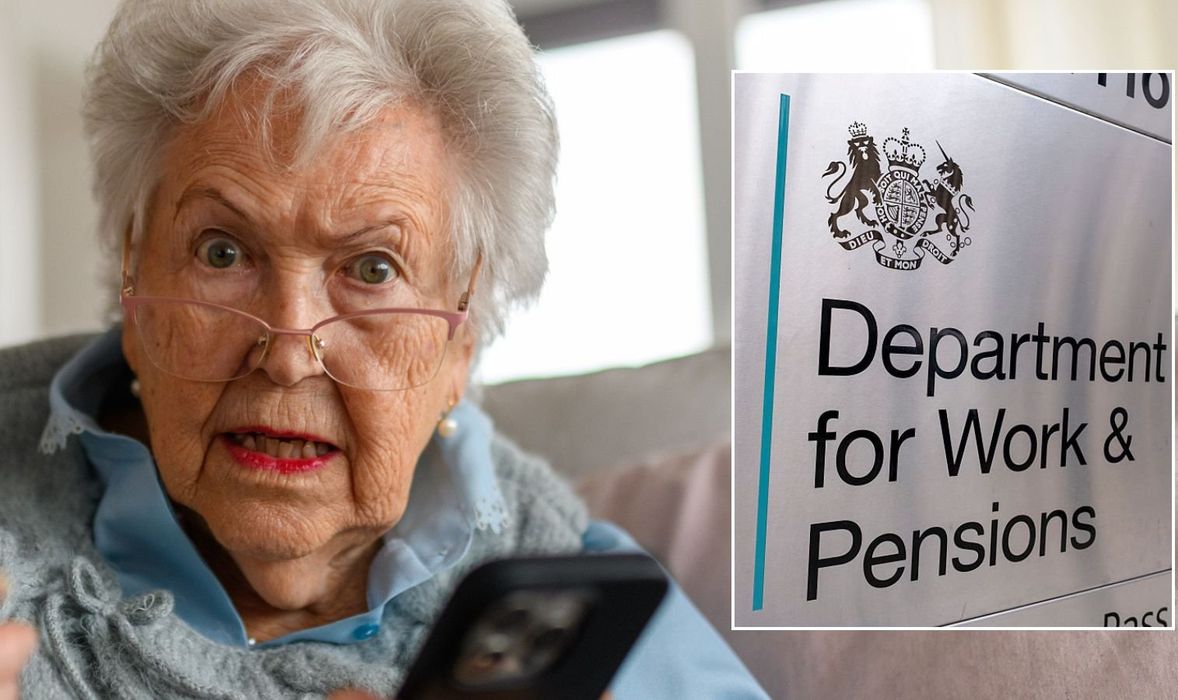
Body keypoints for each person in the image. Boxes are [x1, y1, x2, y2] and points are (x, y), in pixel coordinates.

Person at [0, 1, 765, 697]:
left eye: (372, 269)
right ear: (134, 279)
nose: (287, 357)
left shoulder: (581, 606)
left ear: (461, 339)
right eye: (222, 253)